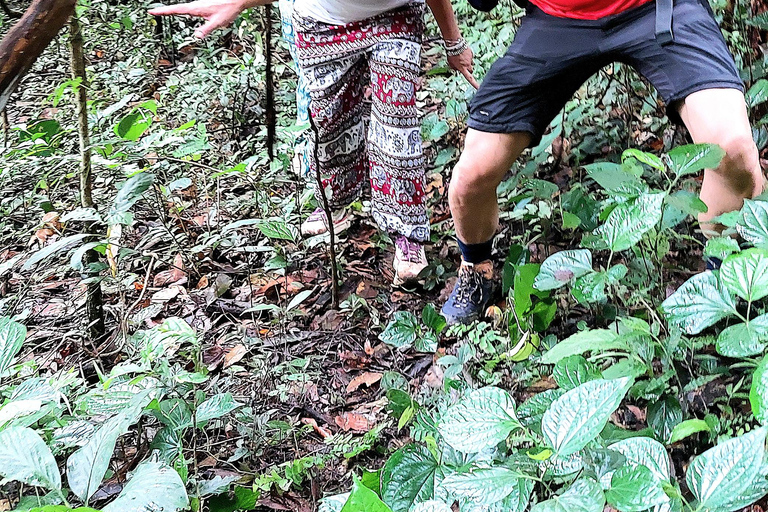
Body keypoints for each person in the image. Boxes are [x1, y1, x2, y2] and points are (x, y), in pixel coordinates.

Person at [440, 0, 766, 324]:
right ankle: (476, 267)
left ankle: (728, 276)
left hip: (659, 9)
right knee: (472, 176)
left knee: (731, 148)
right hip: (557, 17)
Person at [149, 0, 477, 286]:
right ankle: (335, 202)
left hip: (395, 18)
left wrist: (453, 43)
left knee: (396, 125)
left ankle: (407, 236)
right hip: (322, 23)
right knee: (329, 125)